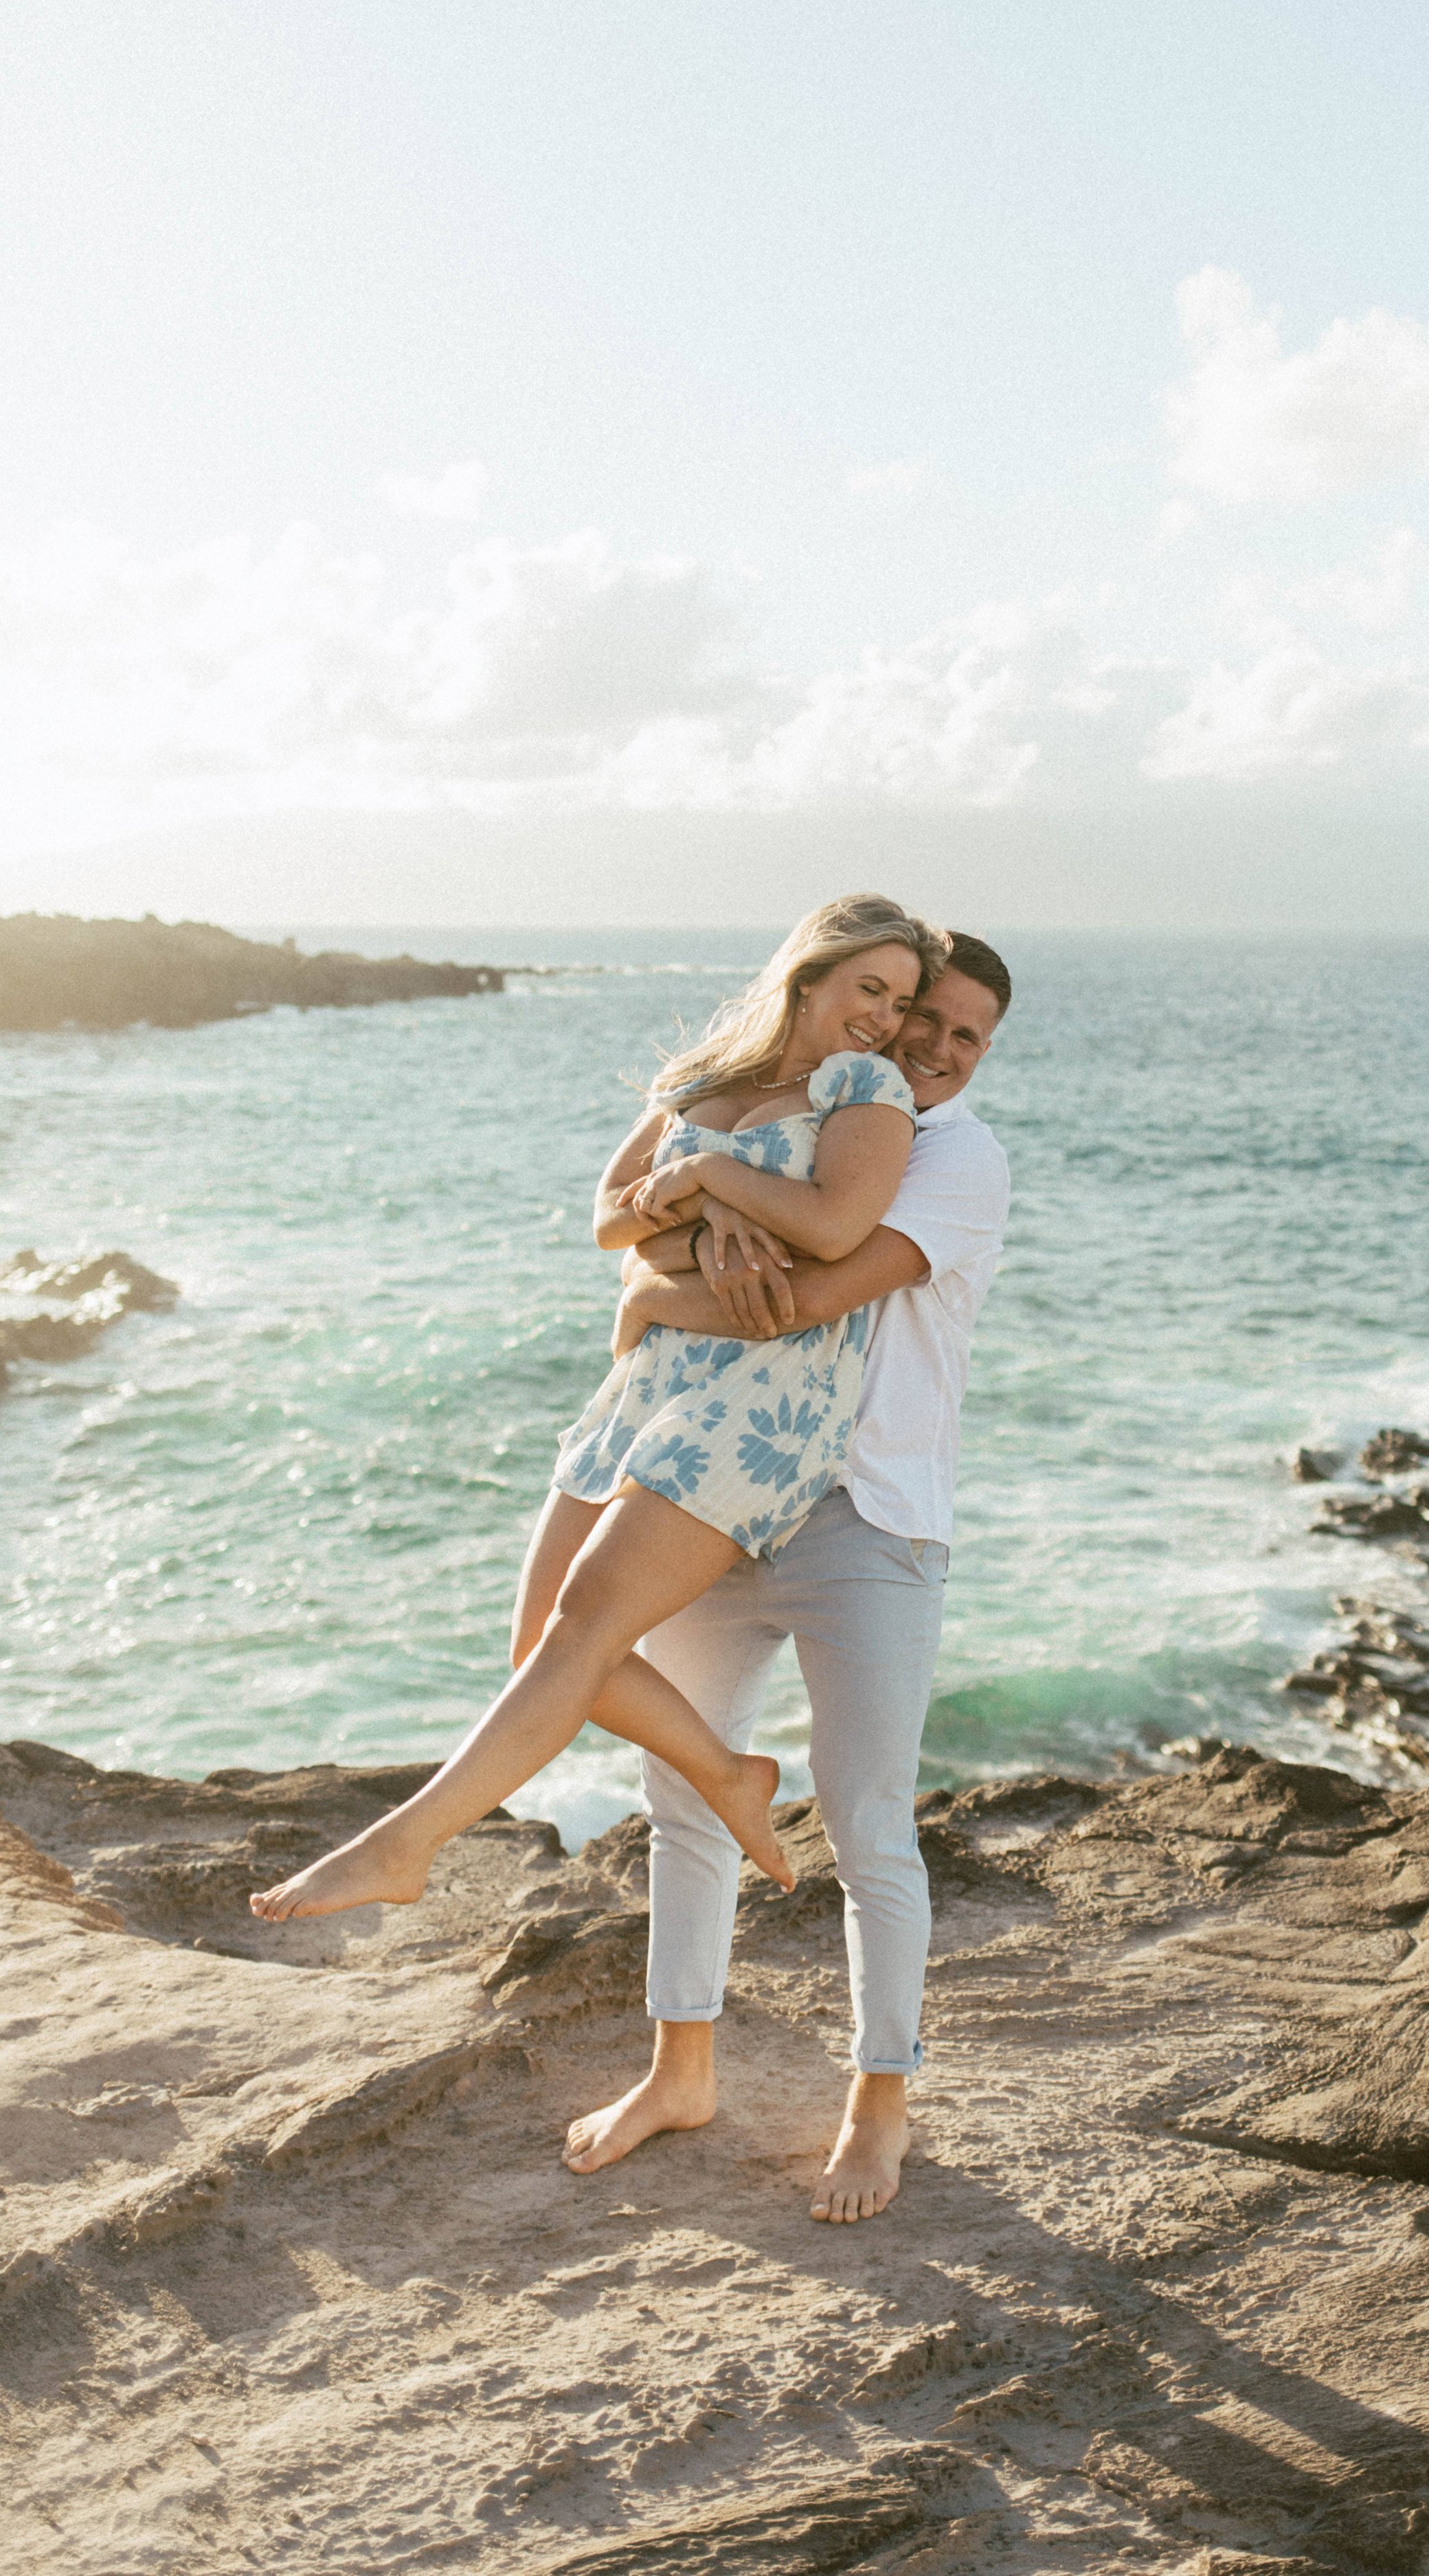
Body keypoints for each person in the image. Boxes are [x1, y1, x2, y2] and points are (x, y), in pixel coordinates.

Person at [250, 894, 949, 1925]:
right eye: (871, 989)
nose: (886, 1017)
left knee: (584, 1624)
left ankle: (405, 1843)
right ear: (810, 974)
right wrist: (707, 1223)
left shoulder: (867, 1087)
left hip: (768, 1393)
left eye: (901, 1000)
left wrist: (707, 1177)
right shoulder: (706, 1076)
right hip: (651, 1377)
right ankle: (726, 1771)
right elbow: (608, 1220)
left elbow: (836, 1229)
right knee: (541, 1636)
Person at [518, 934, 1012, 2223]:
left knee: (868, 1822)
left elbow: (791, 1296)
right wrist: (697, 1229)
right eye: (921, 1020)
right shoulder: (817, 1115)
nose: (937, 1049)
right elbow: (640, 1240)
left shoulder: (958, 1159)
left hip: (872, 1518)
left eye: (966, 1037)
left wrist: (666, 1276)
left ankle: (877, 2106)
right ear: (864, 1009)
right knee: (682, 1790)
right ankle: (680, 2071)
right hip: (731, 1497)